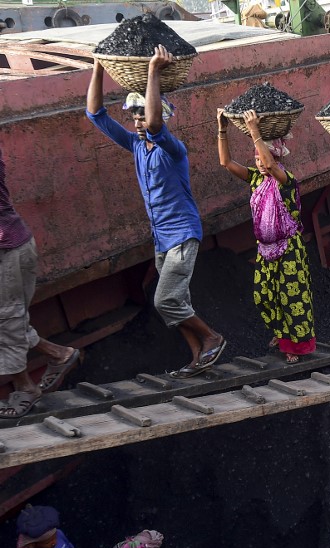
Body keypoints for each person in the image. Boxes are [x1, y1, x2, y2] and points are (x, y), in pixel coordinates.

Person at [86, 47, 226, 378]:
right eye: (133, 116)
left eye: (142, 115)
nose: (137, 122)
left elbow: (154, 124)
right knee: (176, 304)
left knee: (166, 301)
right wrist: (98, 67)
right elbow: (95, 114)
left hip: (181, 234)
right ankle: (197, 358)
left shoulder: (173, 150)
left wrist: (153, 72)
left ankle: (212, 337)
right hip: (162, 238)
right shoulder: (136, 146)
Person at [217, 109, 316, 364]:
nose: (260, 162)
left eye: (264, 157)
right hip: (265, 249)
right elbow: (226, 162)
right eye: (257, 159)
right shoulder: (254, 181)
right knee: (263, 295)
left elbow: (271, 166)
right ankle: (281, 333)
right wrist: (223, 129)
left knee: (291, 298)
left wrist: (254, 132)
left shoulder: (286, 181)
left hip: (288, 248)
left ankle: (294, 346)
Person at [0, 147, 81, 418]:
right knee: (11, 320)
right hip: (14, 246)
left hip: (8, 251)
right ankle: (59, 354)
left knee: (7, 320)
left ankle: (26, 388)